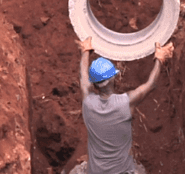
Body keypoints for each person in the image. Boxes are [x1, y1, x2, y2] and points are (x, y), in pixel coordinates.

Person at [74, 37, 174, 174]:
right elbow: (150, 85)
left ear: (94, 84)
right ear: (112, 79)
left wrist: (85, 52)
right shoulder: (125, 103)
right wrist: (160, 58)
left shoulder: (88, 103)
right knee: (140, 170)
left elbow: (83, 78)